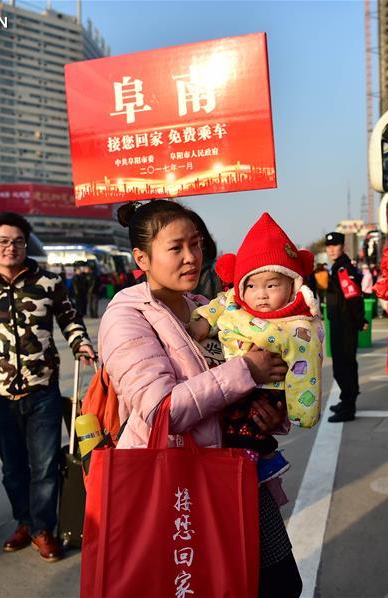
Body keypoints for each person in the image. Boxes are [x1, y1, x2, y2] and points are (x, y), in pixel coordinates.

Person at [98, 200, 303, 597]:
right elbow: (162, 410)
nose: (192, 257)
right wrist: (247, 371)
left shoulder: (206, 309)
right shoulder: (126, 317)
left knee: (279, 584)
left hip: (237, 473)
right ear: (142, 257)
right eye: (176, 248)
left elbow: (239, 384)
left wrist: (266, 411)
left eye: (196, 243)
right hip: (178, 485)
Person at [0, 212, 95, 563]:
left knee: (43, 467)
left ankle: (42, 528)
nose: (11, 248)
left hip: (42, 391)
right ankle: (24, 522)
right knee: (13, 468)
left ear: (27, 245)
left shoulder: (48, 283)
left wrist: (81, 345)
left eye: (18, 242)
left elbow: (71, 320)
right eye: (3, 242)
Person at [189, 213, 323, 484]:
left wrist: (300, 412)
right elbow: (216, 307)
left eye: (272, 285)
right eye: (251, 286)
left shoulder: (298, 324)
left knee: (250, 426)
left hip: (268, 390)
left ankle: (259, 461)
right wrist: (200, 321)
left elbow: (305, 368)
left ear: (291, 285)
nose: (260, 294)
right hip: (229, 389)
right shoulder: (232, 302)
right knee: (238, 425)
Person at [324, 232, 366, 423]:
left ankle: (348, 407)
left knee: (345, 366)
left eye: (335, 245)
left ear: (343, 247)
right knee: (340, 366)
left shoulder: (342, 269)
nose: (331, 249)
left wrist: (360, 320)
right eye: (328, 246)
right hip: (338, 324)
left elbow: (354, 297)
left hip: (345, 325)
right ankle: (345, 400)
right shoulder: (336, 267)